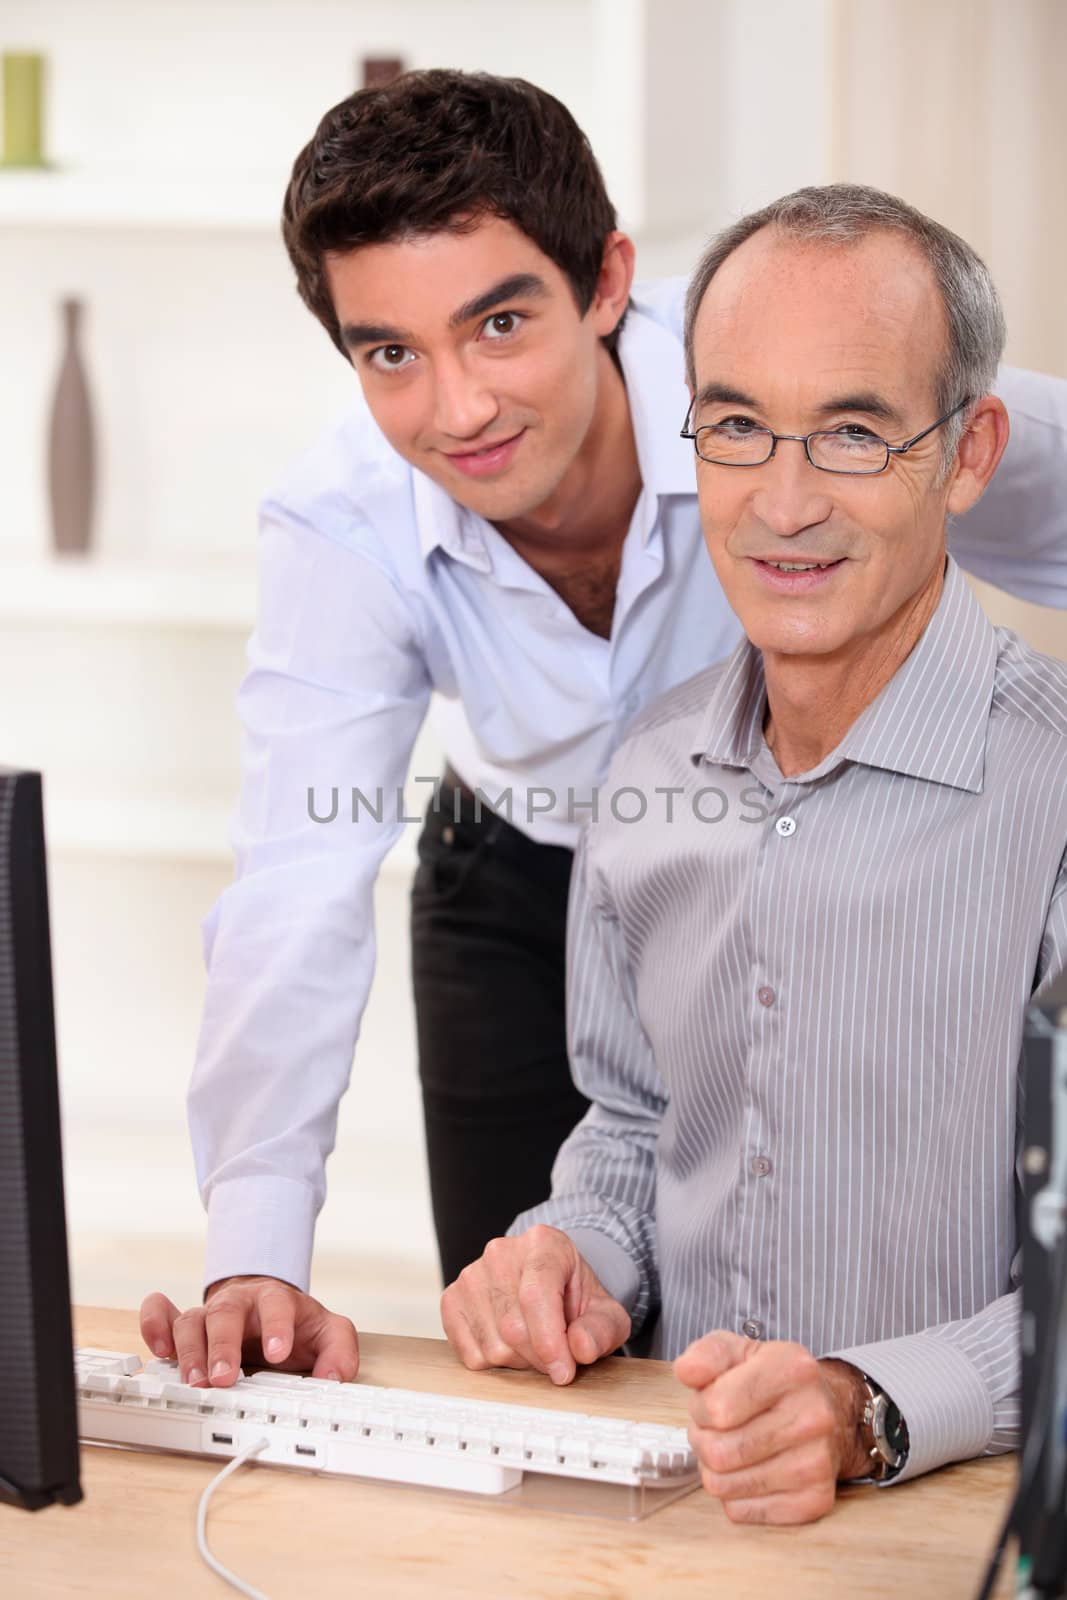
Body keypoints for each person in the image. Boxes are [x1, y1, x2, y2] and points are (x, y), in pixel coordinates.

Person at [140, 73, 1067, 1391]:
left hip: (796, 825)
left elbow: (997, 456)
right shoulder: (339, 524)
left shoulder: (786, 371)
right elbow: (295, 885)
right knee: (544, 1332)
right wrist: (257, 1255)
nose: (457, 409)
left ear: (607, 282)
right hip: (512, 864)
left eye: (500, 323)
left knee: (872, 1273)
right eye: (390, 354)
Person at [440, 183, 1067, 1523]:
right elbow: (636, 1126)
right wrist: (569, 1254)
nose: (782, 506)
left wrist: (870, 1406)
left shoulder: (1059, 796)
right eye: (735, 427)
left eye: (850, 433)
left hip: (967, 1536)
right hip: (670, 1528)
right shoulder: (649, 771)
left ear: (966, 454)